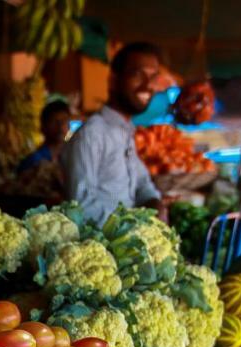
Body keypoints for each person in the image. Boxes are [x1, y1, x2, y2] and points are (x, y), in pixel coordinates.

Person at [60, 42, 163, 224]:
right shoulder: (92, 134)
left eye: (153, 77)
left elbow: (142, 182)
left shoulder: (124, 133)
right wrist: (134, 228)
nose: (148, 85)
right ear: (114, 81)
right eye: (138, 75)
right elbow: (80, 205)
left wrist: (154, 202)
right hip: (104, 248)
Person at [17, 100, 72, 174]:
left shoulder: (73, 154)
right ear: (43, 127)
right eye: (54, 121)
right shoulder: (34, 161)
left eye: (64, 121)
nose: (60, 126)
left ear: (69, 126)